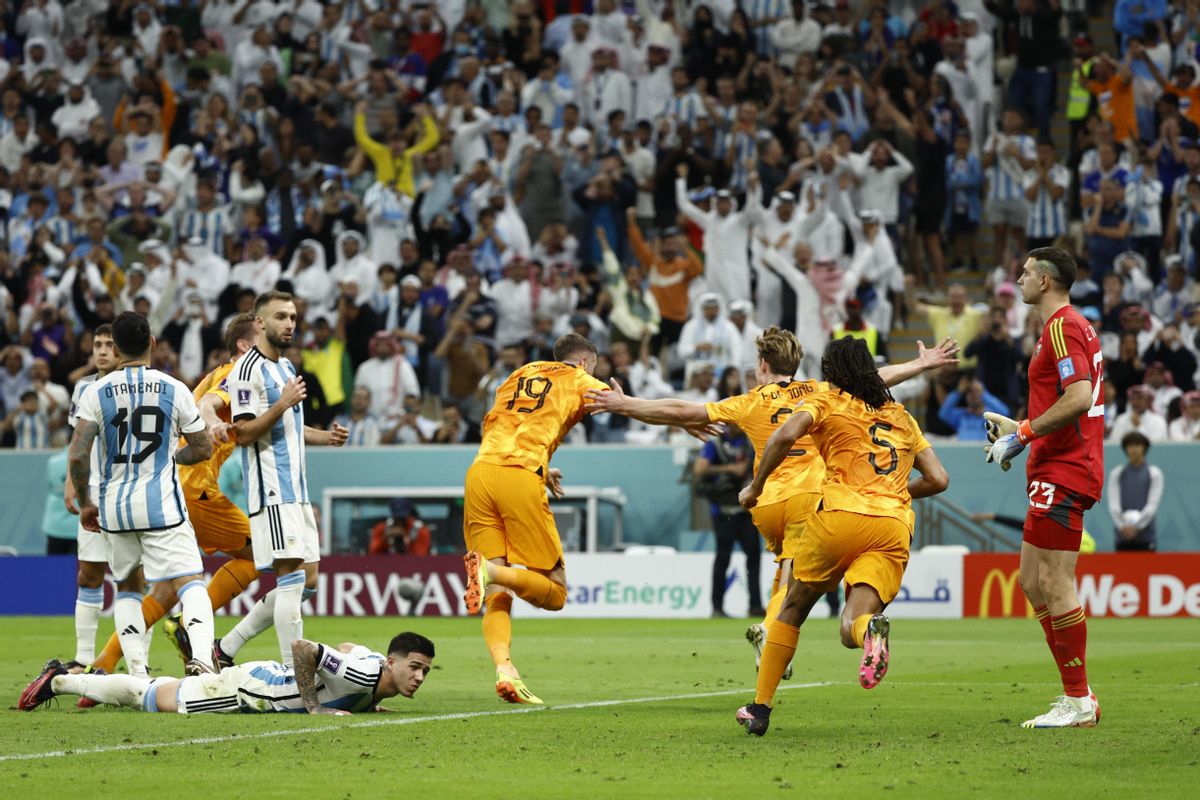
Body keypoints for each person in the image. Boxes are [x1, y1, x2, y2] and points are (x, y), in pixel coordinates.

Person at [584, 328, 957, 677]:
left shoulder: (748, 401)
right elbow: (876, 379)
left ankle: (773, 630)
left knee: (787, 574)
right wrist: (921, 364)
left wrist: (625, 404)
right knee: (796, 590)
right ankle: (772, 628)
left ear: (762, 364)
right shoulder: (819, 391)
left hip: (767, 504)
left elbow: (684, 411)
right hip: (812, 497)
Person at [460, 333, 703, 706]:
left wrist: (544, 467)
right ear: (586, 362)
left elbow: (496, 425)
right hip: (518, 475)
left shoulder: (518, 374)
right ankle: (489, 572)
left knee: (496, 594)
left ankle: (505, 668)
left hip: (480, 473)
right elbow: (629, 406)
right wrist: (685, 420)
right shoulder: (579, 379)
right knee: (555, 593)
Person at [732, 337, 950, 737]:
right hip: (892, 527)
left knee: (792, 608)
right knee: (851, 623)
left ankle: (760, 708)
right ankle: (871, 630)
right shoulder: (902, 416)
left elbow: (782, 436)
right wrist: (897, 492)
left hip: (840, 518)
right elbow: (938, 479)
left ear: (831, 374)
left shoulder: (826, 401)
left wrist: (756, 486)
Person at [982, 247, 1105, 729]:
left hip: (1066, 468)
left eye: (1028, 272)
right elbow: (1068, 401)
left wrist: (1025, 433)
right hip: (1054, 463)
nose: (1020, 278)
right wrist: (1017, 428)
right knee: (1031, 581)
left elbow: (1077, 398)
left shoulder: (1062, 327)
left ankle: (1079, 700)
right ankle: (1078, 696)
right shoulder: (1065, 328)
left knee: (1055, 581)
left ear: (1047, 281)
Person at [68, 312, 216, 677]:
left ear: (115, 349)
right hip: (161, 504)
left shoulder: (95, 392)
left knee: (128, 588)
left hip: (114, 508)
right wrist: (172, 456)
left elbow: (77, 454)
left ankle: (137, 673)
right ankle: (201, 660)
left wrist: (87, 502)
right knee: (189, 581)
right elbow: (202, 447)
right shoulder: (174, 388)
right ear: (152, 344)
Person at [222, 291, 349, 669]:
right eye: (280, 317)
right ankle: (294, 676)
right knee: (291, 578)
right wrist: (282, 404)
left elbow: (289, 424)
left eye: (293, 316)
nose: (289, 324)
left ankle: (225, 647)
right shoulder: (246, 371)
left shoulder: (286, 367)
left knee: (307, 581)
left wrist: (324, 436)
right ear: (259, 323)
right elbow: (242, 433)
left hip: (298, 489)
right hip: (273, 489)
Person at [20, 632, 435, 715]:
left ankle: (90, 684)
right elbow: (303, 647)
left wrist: (370, 704)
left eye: (424, 672)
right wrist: (314, 707)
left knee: (159, 688)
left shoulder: (374, 671)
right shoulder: (365, 676)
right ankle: (60, 679)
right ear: (392, 663)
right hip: (249, 691)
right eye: (413, 667)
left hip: (261, 680)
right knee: (152, 698)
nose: (418, 677)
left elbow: (347, 647)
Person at [62, 324, 117, 667]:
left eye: (109, 344)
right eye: (97, 344)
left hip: (126, 491)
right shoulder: (83, 387)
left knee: (133, 578)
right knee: (89, 574)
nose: (102, 350)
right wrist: (72, 482)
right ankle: (83, 659)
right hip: (92, 493)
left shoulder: (132, 383)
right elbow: (77, 441)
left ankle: (133, 658)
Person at [695, 422, 763, 619]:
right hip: (723, 509)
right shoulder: (715, 443)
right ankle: (717, 607)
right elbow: (700, 469)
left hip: (745, 509)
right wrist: (730, 469)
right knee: (723, 558)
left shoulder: (750, 441)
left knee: (754, 557)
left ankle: (755, 606)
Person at [1106, 432, 1163, 552]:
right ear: (1125, 449)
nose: (1134, 449)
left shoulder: (1154, 474)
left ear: (1144, 448)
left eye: (1137, 445)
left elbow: (1152, 505)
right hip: (1122, 537)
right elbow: (1114, 504)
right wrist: (1123, 526)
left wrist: (1136, 527)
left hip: (1146, 537)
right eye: (1130, 445)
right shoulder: (1117, 473)